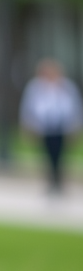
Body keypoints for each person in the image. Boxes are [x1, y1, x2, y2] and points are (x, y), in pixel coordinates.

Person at [20, 58, 82, 193]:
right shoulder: (35, 87)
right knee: (47, 155)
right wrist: (28, 126)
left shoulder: (66, 86)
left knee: (61, 156)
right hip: (44, 128)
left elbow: (75, 107)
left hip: (62, 128)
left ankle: (59, 181)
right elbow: (28, 108)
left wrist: (76, 126)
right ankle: (51, 181)